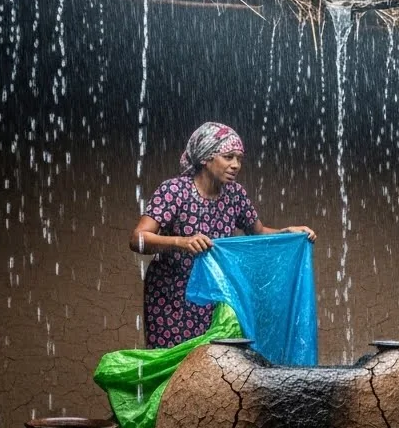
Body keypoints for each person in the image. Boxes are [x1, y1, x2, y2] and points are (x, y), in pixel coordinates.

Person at [129, 121, 315, 348]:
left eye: (239, 158)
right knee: (175, 368)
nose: (236, 165)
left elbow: (257, 232)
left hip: (216, 296)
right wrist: (181, 242)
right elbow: (138, 238)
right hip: (172, 298)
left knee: (215, 366)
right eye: (228, 157)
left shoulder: (235, 195)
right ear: (206, 158)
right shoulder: (174, 191)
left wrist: (288, 233)